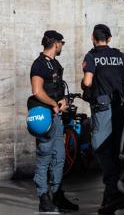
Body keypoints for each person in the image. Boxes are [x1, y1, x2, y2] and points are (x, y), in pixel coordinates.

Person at [81, 24, 124, 215]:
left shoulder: (92, 56)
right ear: (109, 39)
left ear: (93, 38)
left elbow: (87, 82)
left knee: (101, 149)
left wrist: (84, 83)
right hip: (121, 109)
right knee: (116, 151)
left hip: (103, 109)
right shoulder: (120, 56)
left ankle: (115, 195)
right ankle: (109, 202)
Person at [28, 30, 79, 213]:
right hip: (45, 117)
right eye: (62, 43)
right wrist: (53, 104)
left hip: (56, 117)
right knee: (44, 158)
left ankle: (56, 194)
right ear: (56, 43)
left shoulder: (54, 64)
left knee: (59, 157)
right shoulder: (39, 64)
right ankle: (43, 198)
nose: (62, 46)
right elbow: (37, 91)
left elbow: (56, 90)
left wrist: (62, 101)